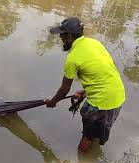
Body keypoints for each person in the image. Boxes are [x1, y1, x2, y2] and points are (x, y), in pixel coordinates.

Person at [45, 17, 125, 153]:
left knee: (87, 137)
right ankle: (93, 155)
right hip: (117, 96)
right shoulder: (95, 43)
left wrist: (53, 101)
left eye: (62, 36)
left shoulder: (73, 58)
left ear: (69, 36)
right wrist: (86, 91)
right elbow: (105, 72)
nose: (61, 39)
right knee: (97, 131)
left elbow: (65, 89)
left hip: (102, 102)